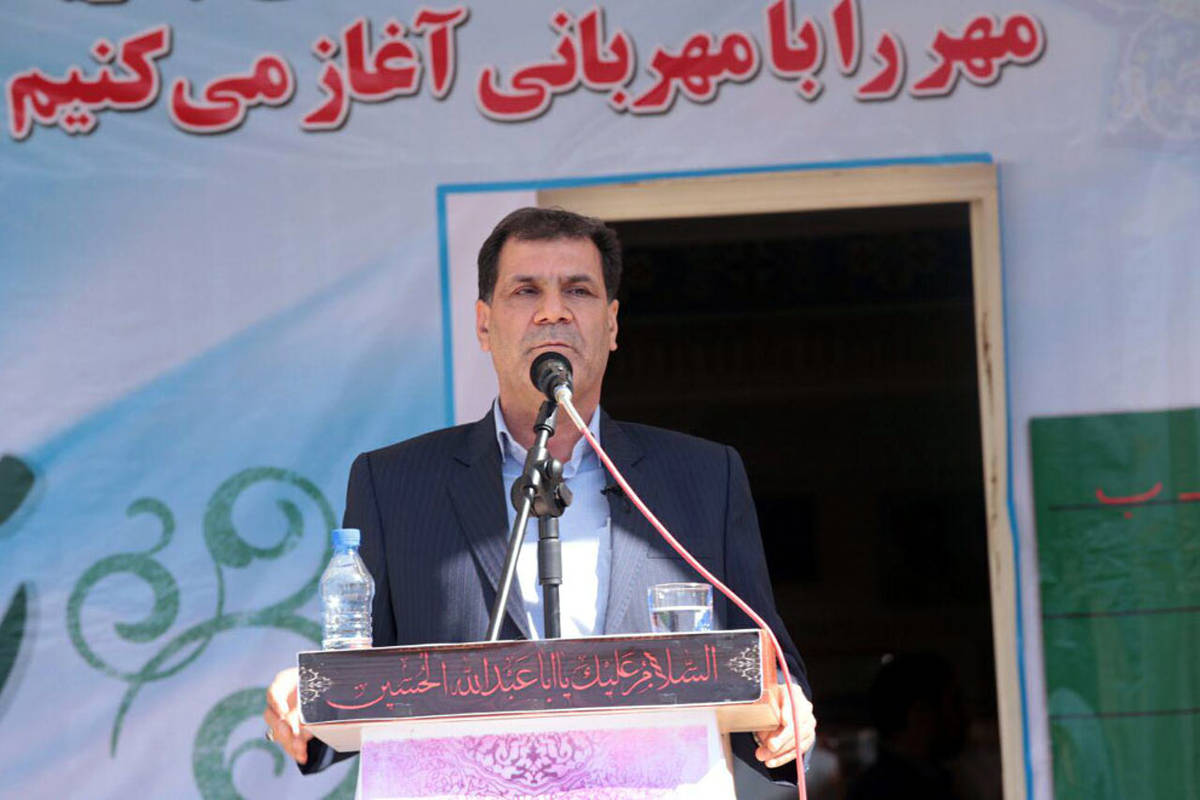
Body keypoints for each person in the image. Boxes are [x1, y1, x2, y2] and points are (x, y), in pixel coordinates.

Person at [263, 207, 817, 796]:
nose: (553, 310)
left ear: (612, 325)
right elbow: (357, 674)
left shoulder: (703, 478)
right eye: (526, 290)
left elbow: (767, 669)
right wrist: (307, 707)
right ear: (484, 325)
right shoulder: (394, 483)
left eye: (577, 290)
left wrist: (787, 713)